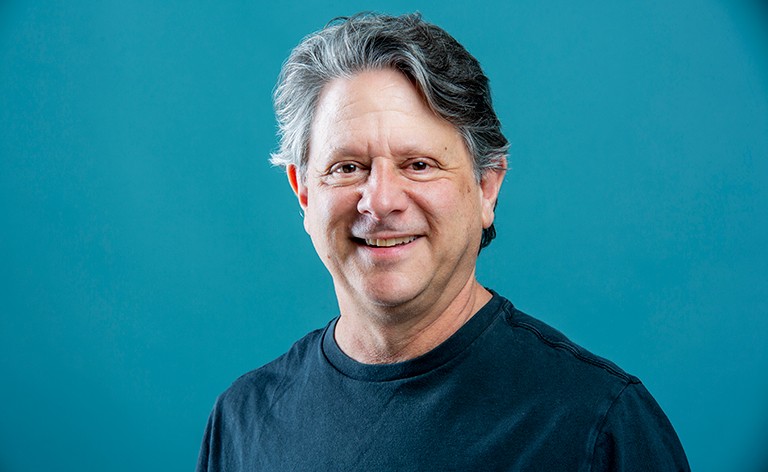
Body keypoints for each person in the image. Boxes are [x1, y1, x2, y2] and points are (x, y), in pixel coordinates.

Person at [196, 12, 689, 471]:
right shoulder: (243, 421)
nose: (380, 201)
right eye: (348, 168)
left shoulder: (598, 427)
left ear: (485, 188)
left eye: (419, 165)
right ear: (303, 192)